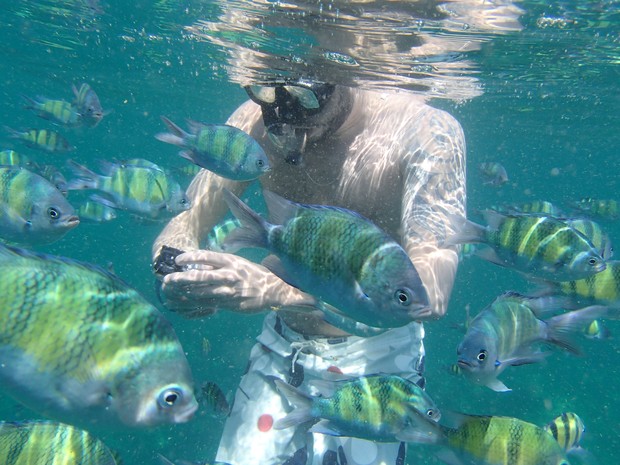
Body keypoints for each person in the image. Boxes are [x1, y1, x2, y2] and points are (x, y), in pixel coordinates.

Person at [152, 79, 466, 465]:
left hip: (380, 371)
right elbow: (184, 221)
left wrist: (277, 292)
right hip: (281, 349)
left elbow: (431, 294)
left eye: (307, 99)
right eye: (268, 94)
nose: (286, 124)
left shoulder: (424, 129)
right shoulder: (255, 118)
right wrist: (179, 275)